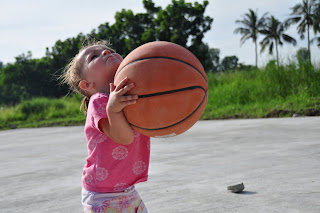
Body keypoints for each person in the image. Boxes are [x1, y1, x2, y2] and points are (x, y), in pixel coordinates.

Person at [61, 40, 150, 213]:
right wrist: (113, 109)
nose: (105, 52)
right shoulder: (100, 101)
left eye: (109, 49)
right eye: (94, 56)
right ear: (87, 84)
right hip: (103, 196)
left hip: (128, 190)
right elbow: (124, 137)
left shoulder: (133, 95)